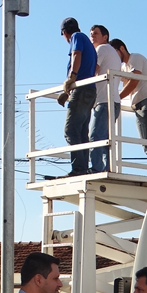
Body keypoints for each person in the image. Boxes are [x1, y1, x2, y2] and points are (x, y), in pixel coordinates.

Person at [109, 39, 147, 178]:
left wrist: (117, 97)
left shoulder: (136, 58)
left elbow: (134, 81)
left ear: (121, 48)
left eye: (115, 53)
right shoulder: (124, 67)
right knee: (146, 143)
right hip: (139, 106)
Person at [58, 17, 98, 177]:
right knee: (81, 131)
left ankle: (79, 168)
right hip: (89, 90)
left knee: (70, 130)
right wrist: (67, 92)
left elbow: (76, 54)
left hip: (82, 89)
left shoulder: (77, 37)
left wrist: (71, 77)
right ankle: (82, 167)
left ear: (64, 33)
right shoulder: (88, 43)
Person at [88, 24, 122, 173]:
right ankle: (107, 168)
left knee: (95, 136)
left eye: (95, 33)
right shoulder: (113, 53)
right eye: (91, 33)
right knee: (107, 138)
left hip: (104, 100)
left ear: (105, 37)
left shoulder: (101, 49)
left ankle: (96, 168)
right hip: (114, 101)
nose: (92, 36)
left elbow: (92, 70)